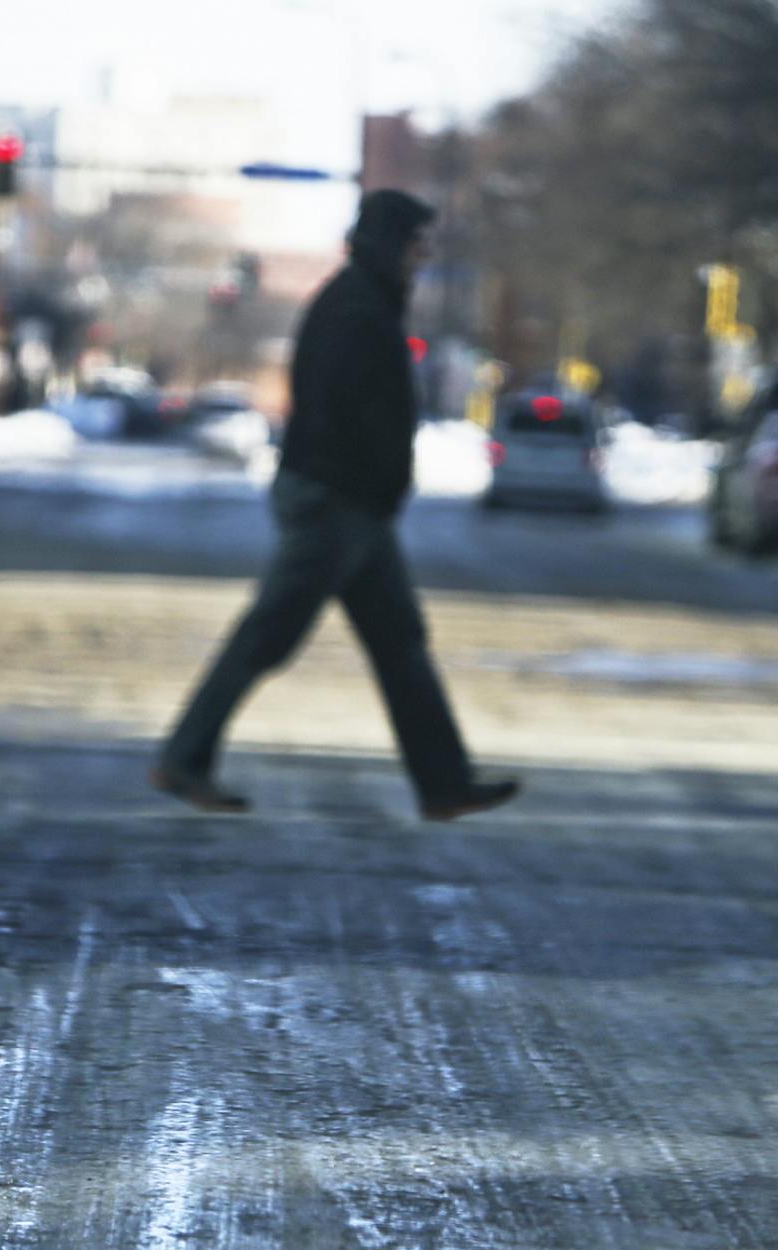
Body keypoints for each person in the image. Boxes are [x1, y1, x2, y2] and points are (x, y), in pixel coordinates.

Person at [151, 189, 521, 822]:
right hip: (335, 502)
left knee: (399, 641)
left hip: (352, 505)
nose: (422, 256)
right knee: (268, 635)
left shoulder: (364, 299)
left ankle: (444, 783)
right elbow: (345, 414)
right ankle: (184, 759)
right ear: (390, 244)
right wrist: (365, 485)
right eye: (415, 243)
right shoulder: (355, 308)